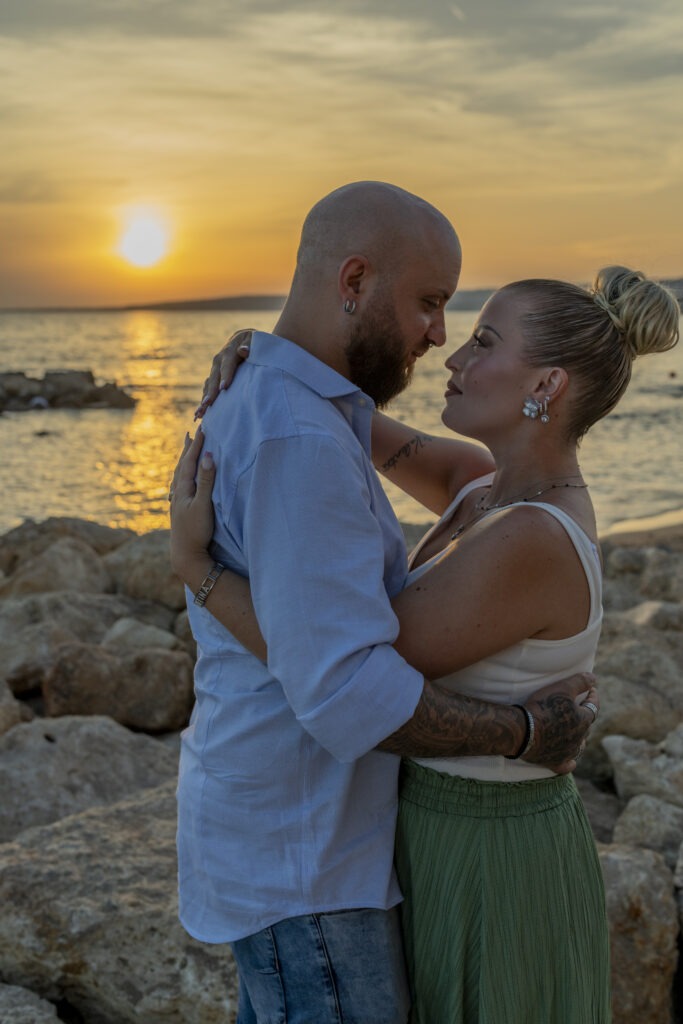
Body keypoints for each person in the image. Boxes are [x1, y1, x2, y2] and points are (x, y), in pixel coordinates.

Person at [169, 181, 599, 1024]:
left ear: (545, 386)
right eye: (435, 306)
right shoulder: (303, 435)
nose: (442, 343)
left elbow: (385, 445)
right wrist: (521, 732)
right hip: (309, 851)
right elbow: (344, 685)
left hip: (353, 842)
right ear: (355, 281)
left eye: (475, 334)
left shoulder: (462, 483)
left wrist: (267, 354)